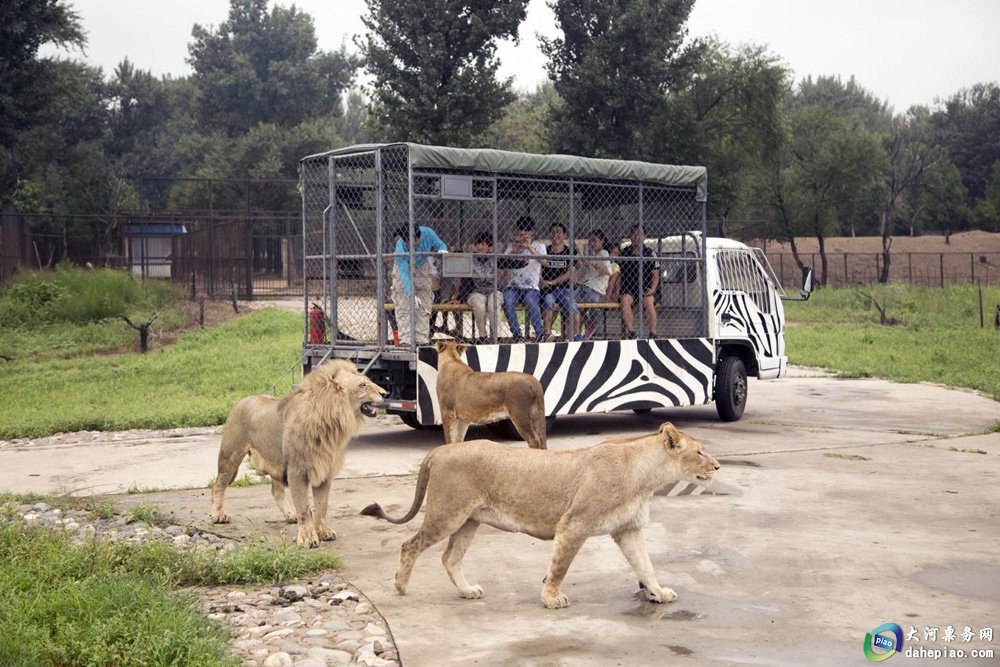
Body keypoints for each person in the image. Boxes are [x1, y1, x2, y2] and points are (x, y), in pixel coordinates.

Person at [391, 224, 447, 346]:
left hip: (422, 266)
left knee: (424, 306)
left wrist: (443, 250)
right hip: (404, 268)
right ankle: (406, 341)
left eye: (414, 241)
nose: (412, 245)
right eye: (408, 242)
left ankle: (422, 341)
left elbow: (440, 245)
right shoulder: (400, 248)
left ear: (419, 237)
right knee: (403, 306)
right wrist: (410, 293)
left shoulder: (428, 233)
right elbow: (405, 275)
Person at [449, 232, 501, 343]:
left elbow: (509, 263)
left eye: (484, 244)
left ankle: (496, 336)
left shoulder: (494, 258)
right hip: (477, 292)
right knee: (479, 306)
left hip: (493, 291)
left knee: (493, 304)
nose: (480, 247)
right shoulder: (471, 259)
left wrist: (523, 261)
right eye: (478, 244)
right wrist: (460, 298)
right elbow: (466, 282)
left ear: (489, 247)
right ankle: (482, 336)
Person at [501, 216, 546, 342]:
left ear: (532, 231)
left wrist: (529, 248)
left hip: (531, 288)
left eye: (526, 230)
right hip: (513, 286)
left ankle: (540, 333)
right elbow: (502, 262)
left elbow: (544, 261)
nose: (523, 232)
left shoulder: (539, 246)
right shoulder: (512, 246)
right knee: (507, 301)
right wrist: (515, 251)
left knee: (531, 302)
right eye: (521, 229)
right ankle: (517, 335)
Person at [539, 222, 580, 341]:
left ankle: (576, 336)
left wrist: (551, 282)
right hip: (548, 290)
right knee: (548, 301)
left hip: (564, 289)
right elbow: (537, 269)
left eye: (559, 232)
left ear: (565, 236)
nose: (556, 235)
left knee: (573, 307)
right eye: (553, 232)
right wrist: (541, 281)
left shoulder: (570, 252)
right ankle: (547, 334)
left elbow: (570, 273)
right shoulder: (545, 251)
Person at [618, 224, 659, 339]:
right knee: (625, 300)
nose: (637, 237)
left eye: (640, 234)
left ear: (645, 236)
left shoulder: (650, 253)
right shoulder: (624, 252)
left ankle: (653, 333)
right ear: (630, 236)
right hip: (630, 288)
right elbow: (618, 273)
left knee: (649, 301)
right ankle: (631, 332)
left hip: (645, 287)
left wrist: (653, 289)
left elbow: (656, 274)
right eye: (634, 234)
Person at [573, 229, 612, 340]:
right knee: (573, 304)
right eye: (590, 241)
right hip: (585, 288)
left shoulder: (603, 253)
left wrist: (592, 262)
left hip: (594, 290)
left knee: (573, 303)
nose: (592, 243)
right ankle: (582, 330)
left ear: (602, 241)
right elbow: (582, 276)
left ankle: (586, 328)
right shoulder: (592, 255)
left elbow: (608, 271)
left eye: (595, 240)